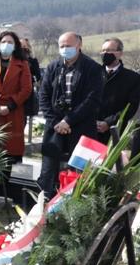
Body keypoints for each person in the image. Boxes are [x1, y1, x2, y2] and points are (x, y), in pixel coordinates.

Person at [37, 31, 103, 197]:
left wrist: (69, 120)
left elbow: (92, 100)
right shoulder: (53, 67)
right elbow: (44, 97)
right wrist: (56, 123)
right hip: (55, 128)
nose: (65, 49)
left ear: (79, 45)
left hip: (82, 127)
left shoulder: (92, 68)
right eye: (62, 46)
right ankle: (45, 202)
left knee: (80, 173)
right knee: (49, 170)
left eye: (69, 45)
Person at [0, 31, 33, 166]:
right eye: (3, 42)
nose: (6, 45)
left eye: (10, 42)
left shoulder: (22, 64)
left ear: (15, 46)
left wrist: (9, 106)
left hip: (13, 111)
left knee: (11, 152)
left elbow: (26, 89)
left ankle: (12, 185)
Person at [96, 37, 140, 144]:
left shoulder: (132, 78)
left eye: (110, 50)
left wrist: (109, 122)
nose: (105, 53)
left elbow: (131, 106)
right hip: (92, 129)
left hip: (116, 131)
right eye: (103, 50)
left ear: (120, 53)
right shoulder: (93, 74)